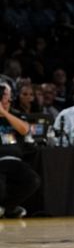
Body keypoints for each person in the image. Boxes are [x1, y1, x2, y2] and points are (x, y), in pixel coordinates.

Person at [0, 83, 41, 218]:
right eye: (2, 96)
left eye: (5, 96)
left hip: (15, 161)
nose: (4, 99)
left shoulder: (16, 115)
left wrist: (4, 113)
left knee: (33, 180)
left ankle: (8, 207)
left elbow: (24, 129)